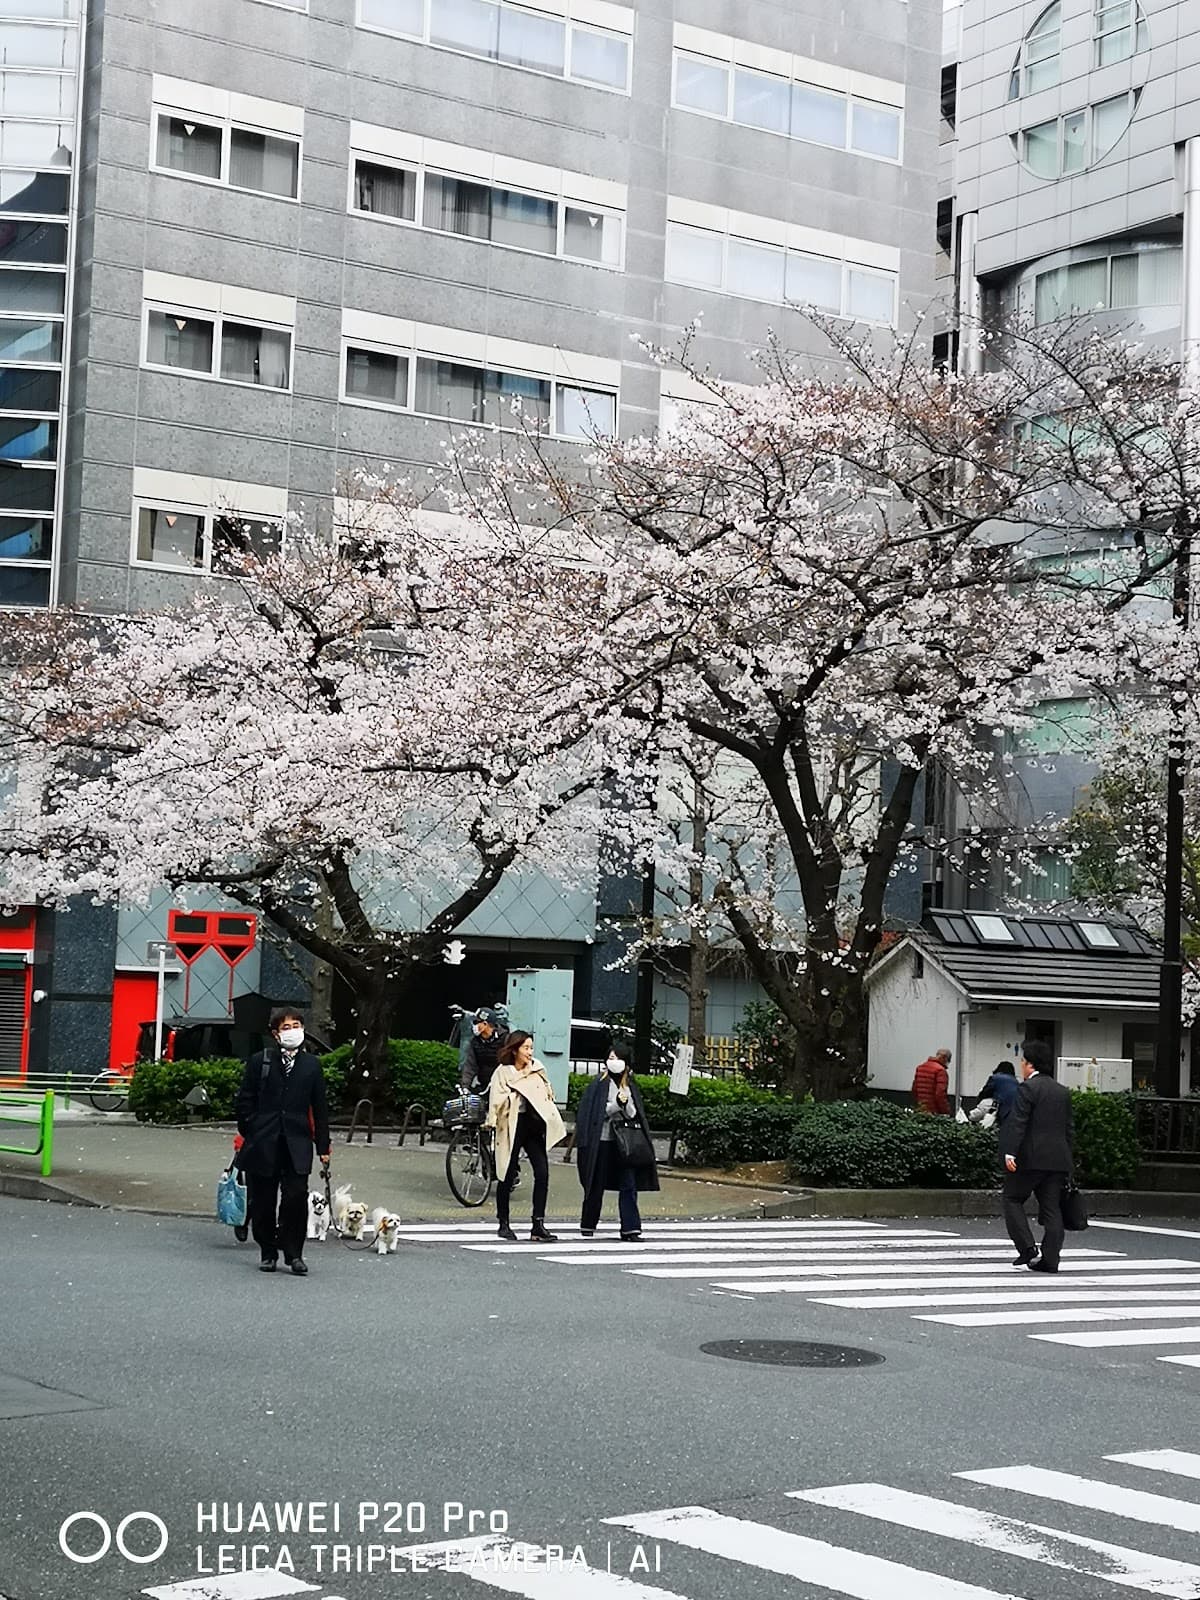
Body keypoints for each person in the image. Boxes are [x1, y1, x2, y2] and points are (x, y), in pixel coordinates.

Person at [235, 1008, 331, 1276]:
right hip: (263, 1141)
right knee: (262, 1201)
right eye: (286, 1027)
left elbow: (320, 1108)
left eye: (297, 1025)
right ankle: (267, 1251)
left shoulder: (312, 1064)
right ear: (276, 1034)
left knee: (295, 1198)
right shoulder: (260, 1061)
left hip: (297, 1142)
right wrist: (252, 1128)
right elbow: (245, 1099)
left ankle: (294, 1253)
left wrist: (323, 1146)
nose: (293, 1031)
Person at [485, 1030, 566, 1242]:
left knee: (543, 1172)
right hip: (512, 1125)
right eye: (526, 1048)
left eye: (531, 1048)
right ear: (515, 1050)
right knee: (507, 1172)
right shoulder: (503, 1073)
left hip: (533, 1124)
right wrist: (519, 1091)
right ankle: (503, 1222)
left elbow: (547, 1093)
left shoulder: (537, 1069)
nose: (530, 1052)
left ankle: (538, 1224)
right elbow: (497, 1102)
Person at [1001, 1039, 1074, 1273]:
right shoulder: (1062, 1091)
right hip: (1058, 1159)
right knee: (1052, 1207)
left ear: (1030, 1065)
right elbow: (1069, 1129)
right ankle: (1050, 1259)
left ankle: (1027, 1248)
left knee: (1012, 1198)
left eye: (1022, 1061)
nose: (1021, 1066)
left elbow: (1018, 1122)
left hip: (1031, 1158)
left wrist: (1010, 1151)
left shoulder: (1028, 1089)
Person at [575, 1053, 659, 1241]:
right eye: (610, 1057)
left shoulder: (628, 1085)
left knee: (629, 1184)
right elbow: (596, 1113)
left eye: (617, 1058)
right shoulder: (599, 1083)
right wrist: (615, 1105)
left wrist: (625, 1102)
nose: (613, 1061)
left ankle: (631, 1229)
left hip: (624, 1143)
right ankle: (588, 1223)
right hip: (603, 1141)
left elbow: (633, 1114)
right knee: (596, 1184)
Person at [459, 1007, 509, 1095]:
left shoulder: (505, 1039)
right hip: (483, 1085)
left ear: (485, 1024)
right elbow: (470, 1065)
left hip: (503, 1087)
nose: (473, 1026)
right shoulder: (475, 1042)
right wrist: (465, 1087)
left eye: (476, 1022)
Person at [970, 1061, 1019, 1128]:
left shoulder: (995, 1078)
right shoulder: (1015, 1081)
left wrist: (979, 1102)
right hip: (1014, 1110)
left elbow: (985, 1092)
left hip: (1001, 1109)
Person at [912, 1048, 952, 1114]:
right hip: (934, 1110)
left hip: (921, 1108)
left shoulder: (920, 1067)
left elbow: (914, 1089)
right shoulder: (940, 1071)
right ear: (945, 1058)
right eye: (948, 1061)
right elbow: (940, 1094)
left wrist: (918, 1105)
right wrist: (945, 1111)